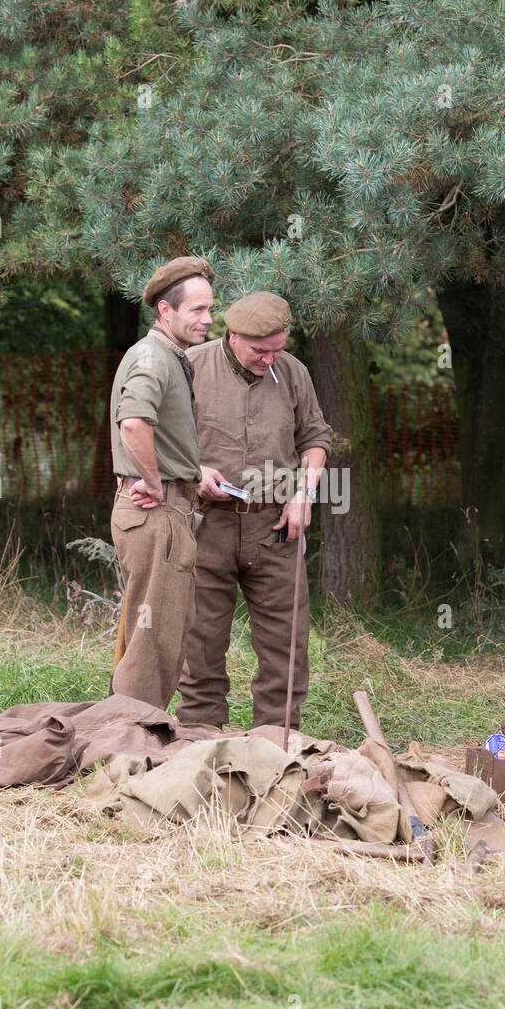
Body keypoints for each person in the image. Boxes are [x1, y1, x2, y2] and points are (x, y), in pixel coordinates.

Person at [171, 291, 333, 729]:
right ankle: (200, 737)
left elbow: (316, 439)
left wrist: (304, 495)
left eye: (278, 349)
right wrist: (195, 470)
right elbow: (162, 437)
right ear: (232, 335)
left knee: (287, 641)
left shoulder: (292, 370)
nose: (270, 359)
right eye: (261, 351)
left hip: (275, 526)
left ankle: (276, 743)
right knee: (200, 638)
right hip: (206, 522)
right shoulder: (191, 366)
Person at [109, 256, 214, 710]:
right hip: (155, 511)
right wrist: (153, 481)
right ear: (165, 312)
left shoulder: (169, 357)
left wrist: (192, 472)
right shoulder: (153, 356)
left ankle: (133, 735)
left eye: (211, 309)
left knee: (159, 635)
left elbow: (159, 432)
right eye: (197, 310)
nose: (208, 319)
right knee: (152, 642)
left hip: (168, 509)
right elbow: (133, 423)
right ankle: (131, 747)